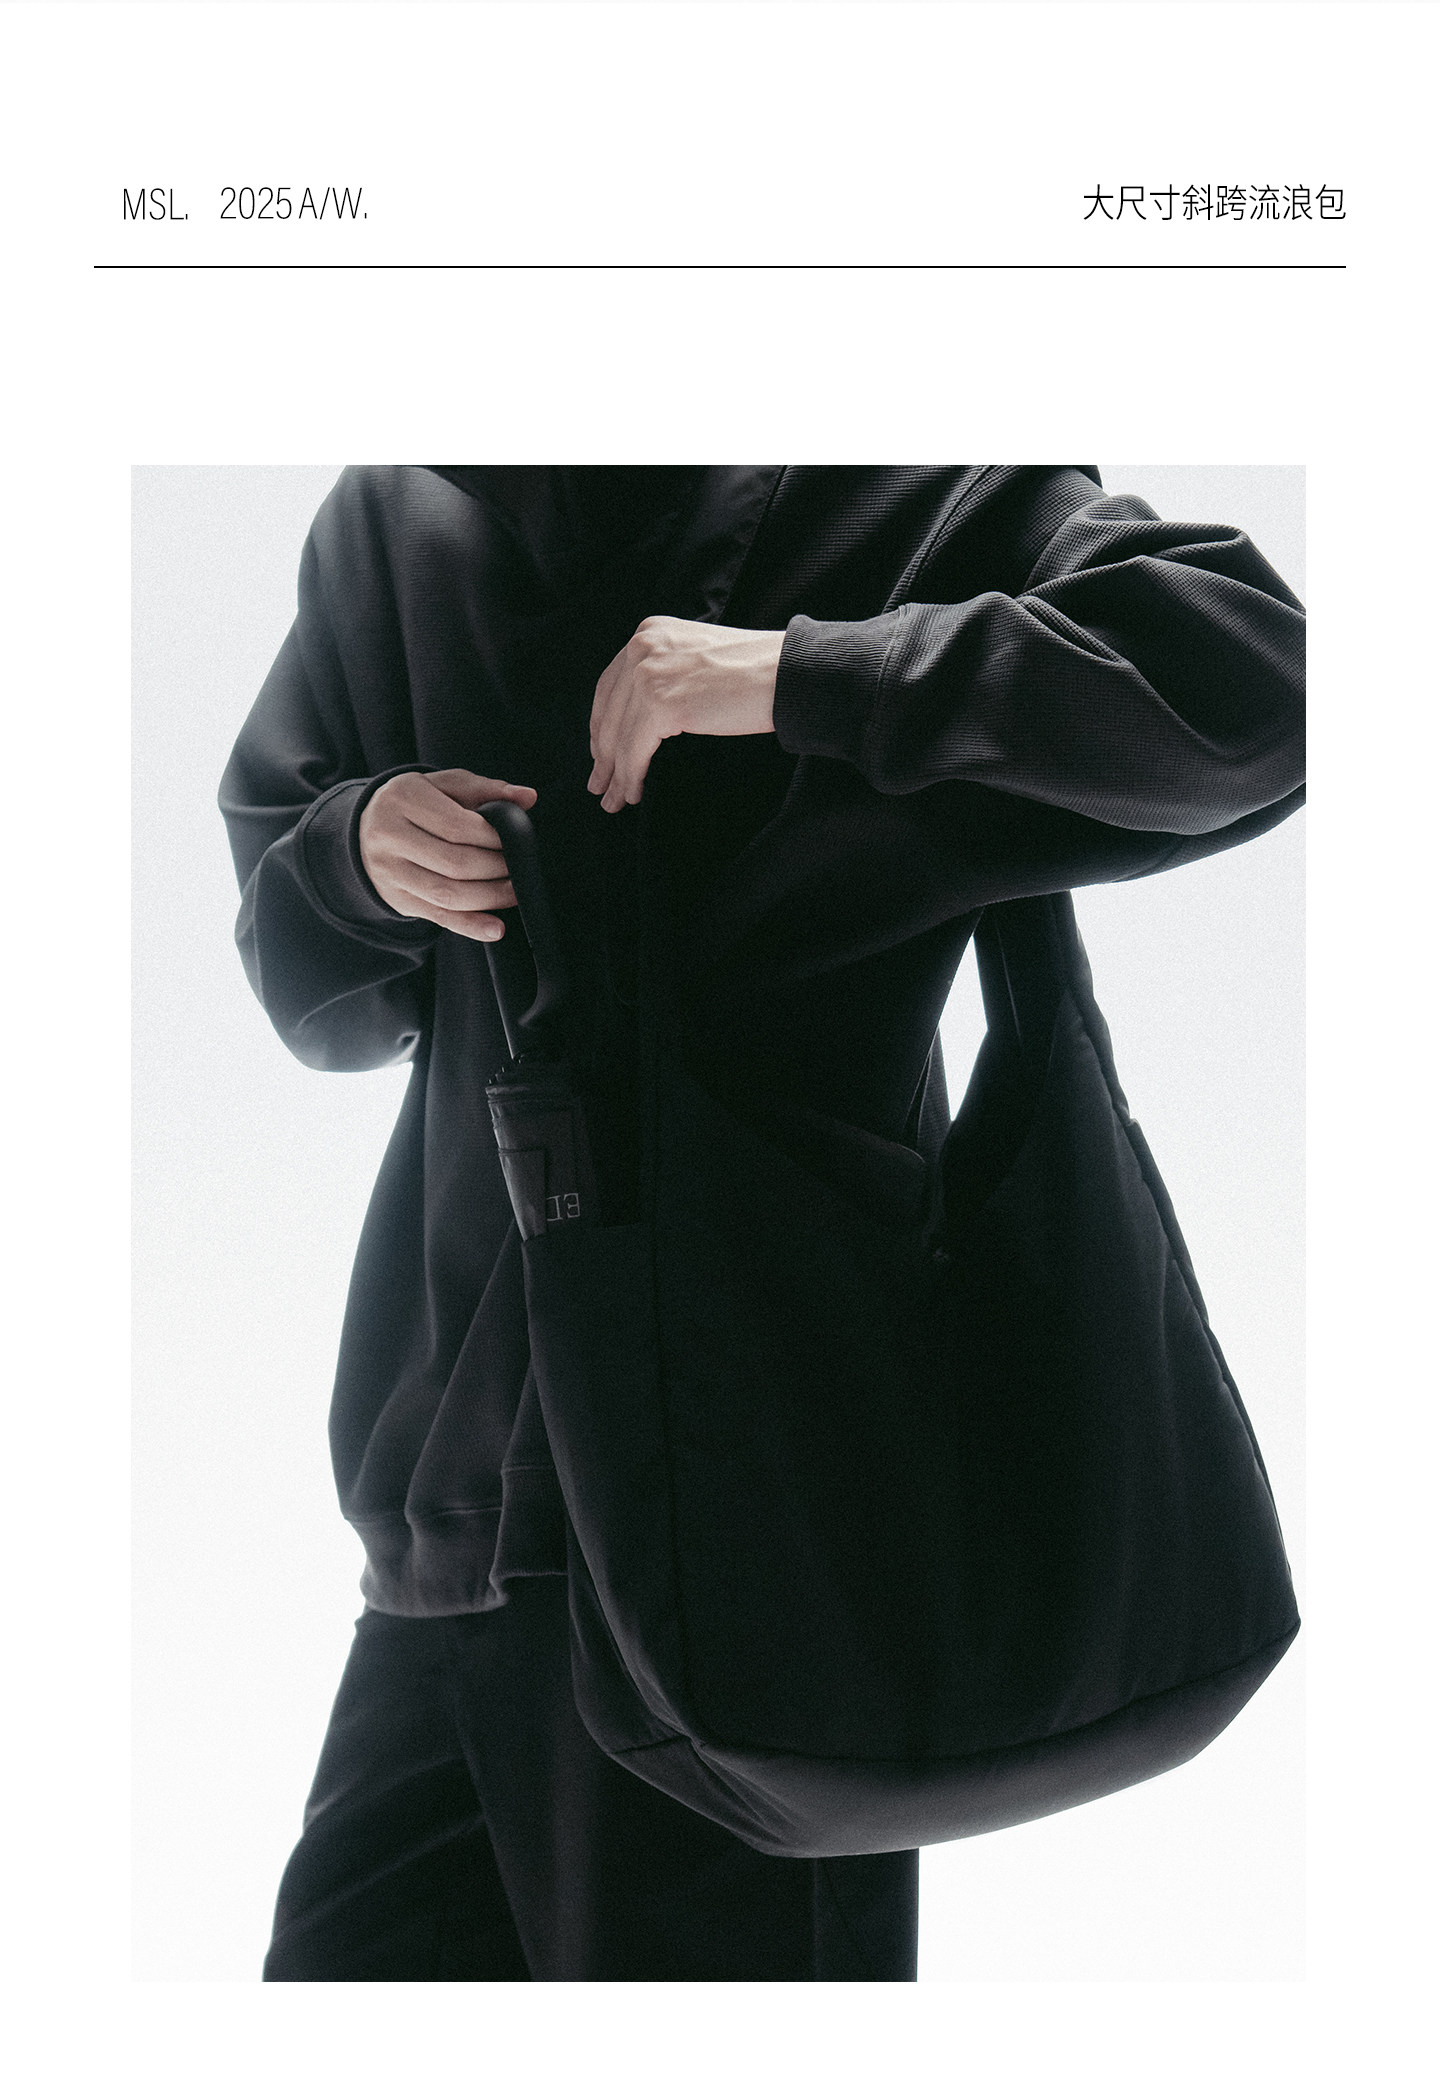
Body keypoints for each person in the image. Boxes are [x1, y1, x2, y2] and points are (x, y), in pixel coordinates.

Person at [219, 465, 1305, 1981]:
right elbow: (313, 992)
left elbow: (1268, 681)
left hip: (765, 1508)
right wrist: (353, 854)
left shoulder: (917, 482)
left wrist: (807, 677)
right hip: (455, 1506)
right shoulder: (399, 516)